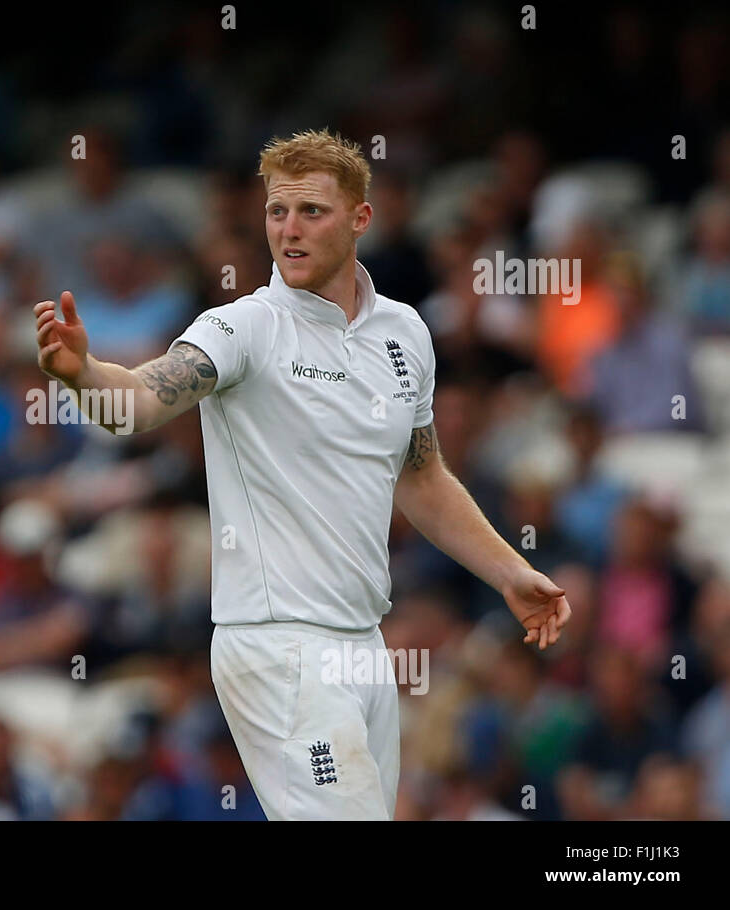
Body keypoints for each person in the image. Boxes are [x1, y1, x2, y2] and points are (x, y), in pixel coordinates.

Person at [34, 129, 572, 821]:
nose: (288, 230)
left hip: (363, 646)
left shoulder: (404, 333)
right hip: (277, 645)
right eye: (275, 211)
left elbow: (422, 476)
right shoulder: (243, 327)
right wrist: (82, 374)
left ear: (360, 219)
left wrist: (508, 572)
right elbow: (137, 401)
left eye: (311, 211)